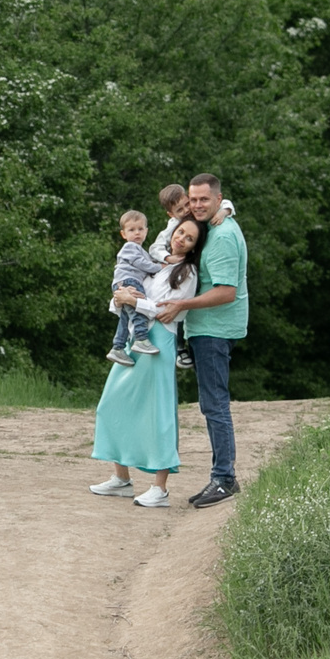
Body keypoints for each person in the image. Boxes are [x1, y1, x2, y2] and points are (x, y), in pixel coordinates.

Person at [144, 175, 249, 509]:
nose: (198, 205)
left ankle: (224, 479)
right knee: (210, 402)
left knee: (214, 403)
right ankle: (221, 476)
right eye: (194, 199)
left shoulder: (223, 236)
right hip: (204, 329)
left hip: (216, 330)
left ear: (219, 199)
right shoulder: (208, 228)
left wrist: (181, 305)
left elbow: (226, 292)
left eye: (205, 199)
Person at [88, 217, 197, 507]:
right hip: (135, 341)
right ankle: (121, 479)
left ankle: (159, 489)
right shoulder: (153, 263)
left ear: (195, 247)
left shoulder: (188, 274)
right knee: (111, 404)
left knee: (157, 414)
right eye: (180, 232)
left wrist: (133, 302)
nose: (181, 239)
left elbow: (166, 311)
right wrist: (121, 298)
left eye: (189, 238)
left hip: (159, 344)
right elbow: (125, 298)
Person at [105, 210, 161, 365]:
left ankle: (118, 348)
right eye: (132, 230)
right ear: (123, 234)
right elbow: (140, 264)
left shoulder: (141, 249)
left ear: (146, 231)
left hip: (124, 282)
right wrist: (159, 267)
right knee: (137, 310)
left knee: (125, 317)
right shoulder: (130, 247)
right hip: (129, 282)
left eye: (140, 229)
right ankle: (141, 339)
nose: (137, 233)